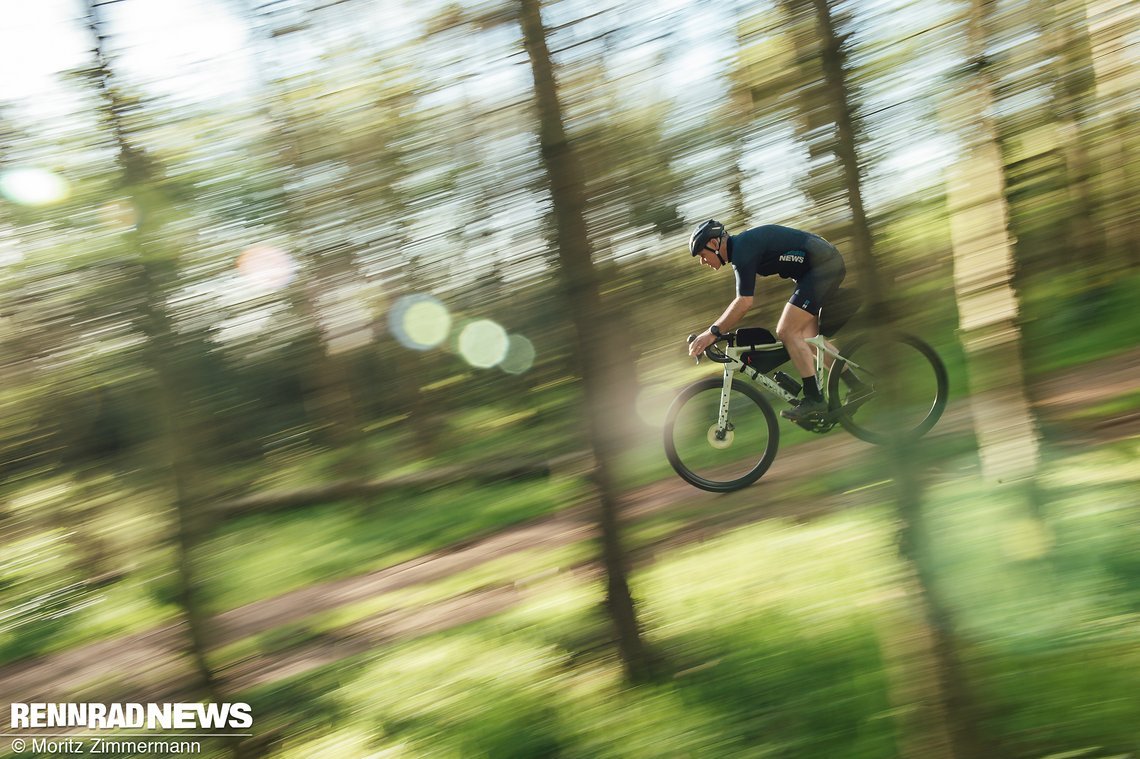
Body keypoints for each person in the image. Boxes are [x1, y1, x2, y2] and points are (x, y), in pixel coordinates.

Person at [686, 219, 856, 427]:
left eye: (702, 255)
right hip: (815, 269)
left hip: (823, 266)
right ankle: (856, 386)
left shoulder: (742, 250)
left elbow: (744, 302)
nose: (703, 262)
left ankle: (815, 399)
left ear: (713, 244)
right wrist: (714, 331)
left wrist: (712, 333)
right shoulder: (741, 250)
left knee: (786, 330)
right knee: (807, 339)